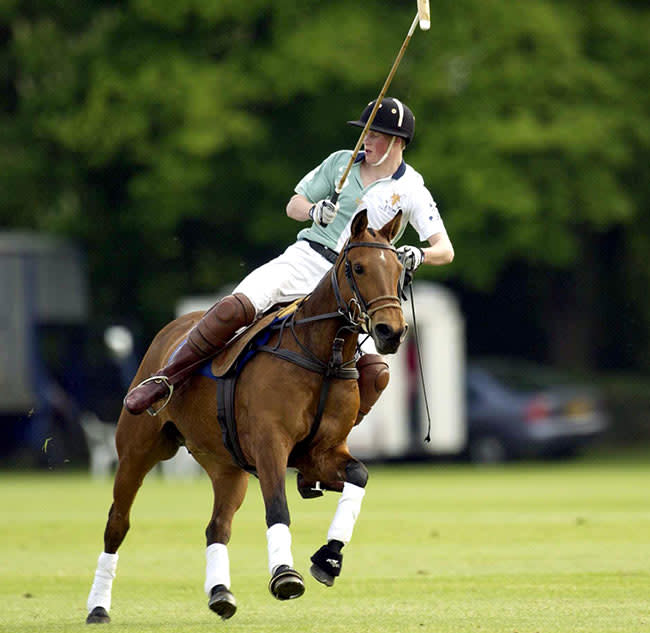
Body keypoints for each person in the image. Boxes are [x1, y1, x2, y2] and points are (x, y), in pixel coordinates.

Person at [124, 97, 454, 417]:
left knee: (376, 373)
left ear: (397, 141)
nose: (365, 140)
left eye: (374, 135)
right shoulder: (341, 162)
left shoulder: (412, 189)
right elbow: (293, 205)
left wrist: (418, 254)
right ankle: (165, 380)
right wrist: (314, 210)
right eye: (364, 132)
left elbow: (445, 249)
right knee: (233, 309)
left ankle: (327, 444)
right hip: (305, 259)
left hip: (353, 286)